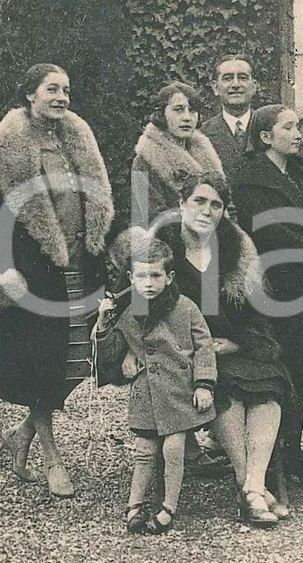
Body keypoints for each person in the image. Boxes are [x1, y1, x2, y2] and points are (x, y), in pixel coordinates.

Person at [111, 173, 293, 526]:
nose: (207, 211)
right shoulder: (160, 248)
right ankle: (250, 487)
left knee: (267, 384)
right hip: (178, 357)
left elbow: (258, 314)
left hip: (228, 344)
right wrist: (132, 349)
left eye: (216, 205)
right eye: (199, 201)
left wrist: (240, 341)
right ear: (181, 204)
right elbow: (124, 303)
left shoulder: (236, 249)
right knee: (226, 390)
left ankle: (252, 484)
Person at [0, 63, 114, 498]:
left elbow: (95, 201)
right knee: (42, 365)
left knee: (73, 363)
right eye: (51, 89)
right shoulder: (10, 149)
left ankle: (22, 434)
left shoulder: (75, 139)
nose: (61, 97)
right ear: (29, 95)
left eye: (66, 90)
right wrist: (1, 281)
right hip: (33, 274)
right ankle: (53, 459)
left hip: (78, 267)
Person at [233, 105, 303, 486]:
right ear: (265, 137)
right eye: (289, 127)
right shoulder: (250, 180)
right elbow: (267, 230)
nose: (299, 134)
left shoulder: (301, 175)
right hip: (278, 286)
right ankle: (271, 455)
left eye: (299, 126)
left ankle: (291, 451)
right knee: (280, 369)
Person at [95, 238, 217, 534]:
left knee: (174, 449)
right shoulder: (127, 313)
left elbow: (204, 346)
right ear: (130, 278)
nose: (148, 283)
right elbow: (110, 350)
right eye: (141, 276)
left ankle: (169, 506)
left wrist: (204, 384)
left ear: (169, 277)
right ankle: (134, 504)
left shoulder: (185, 308)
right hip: (147, 393)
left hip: (178, 391)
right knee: (144, 450)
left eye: (155, 276)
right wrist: (102, 322)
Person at [130, 81, 226, 227]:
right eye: (179, 109)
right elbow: (151, 217)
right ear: (162, 114)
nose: (187, 117)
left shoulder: (205, 154)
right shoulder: (144, 161)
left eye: (192, 110)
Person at [200, 54, 258, 187]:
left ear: (254, 86)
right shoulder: (202, 135)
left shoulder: (270, 130)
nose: (236, 85)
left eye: (243, 78)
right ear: (215, 88)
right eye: (227, 78)